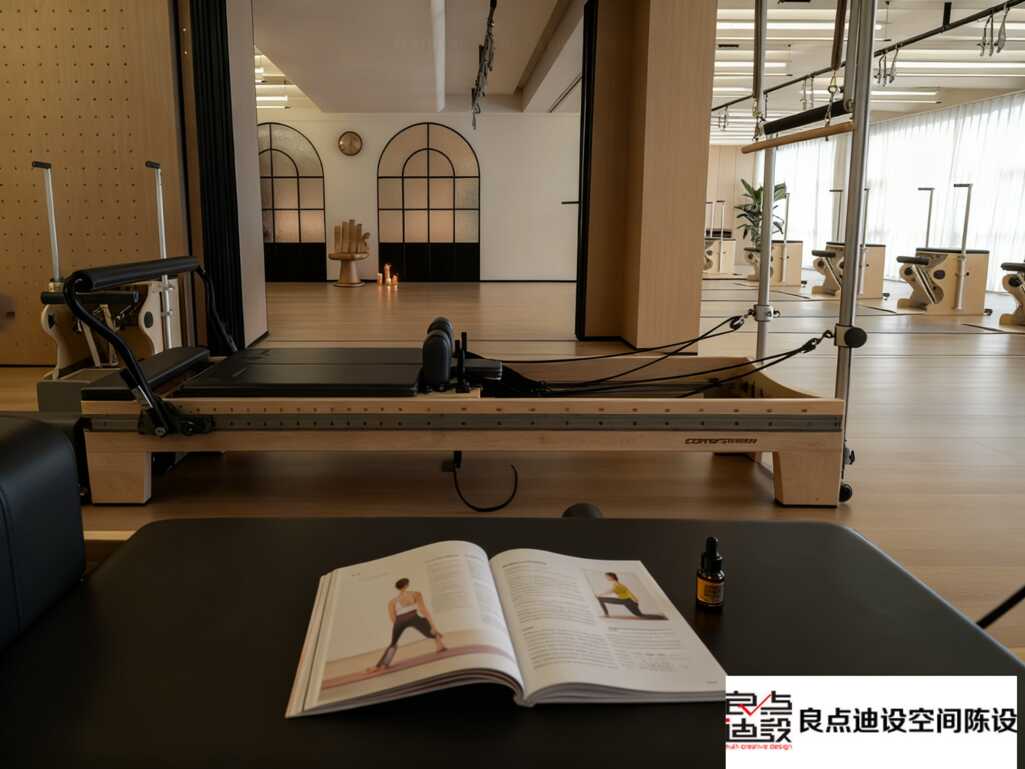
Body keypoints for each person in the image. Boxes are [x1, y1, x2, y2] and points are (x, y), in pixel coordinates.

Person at [368, 578, 446, 671]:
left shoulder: (393, 601)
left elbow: (393, 618)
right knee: (427, 628)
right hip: (411, 618)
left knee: (393, 643)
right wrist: (432, 625)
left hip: (402, 620)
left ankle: (382, 665)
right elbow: (423, 609)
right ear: (407, 585)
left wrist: (398, 626)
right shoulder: (415, 594)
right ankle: (439, 643)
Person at [596, 572, 665, 619]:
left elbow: (610, 591)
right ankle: (607, 614)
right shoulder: (617, 584)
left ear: (611, 577)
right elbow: (627, 592)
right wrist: (635, 599)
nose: (606, 578)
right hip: (627, 600)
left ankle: (606, 614)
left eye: (607, 576)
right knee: (640, 615)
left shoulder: (617, 584)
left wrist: (599, 595)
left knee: (641, 615)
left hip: (628, 601)